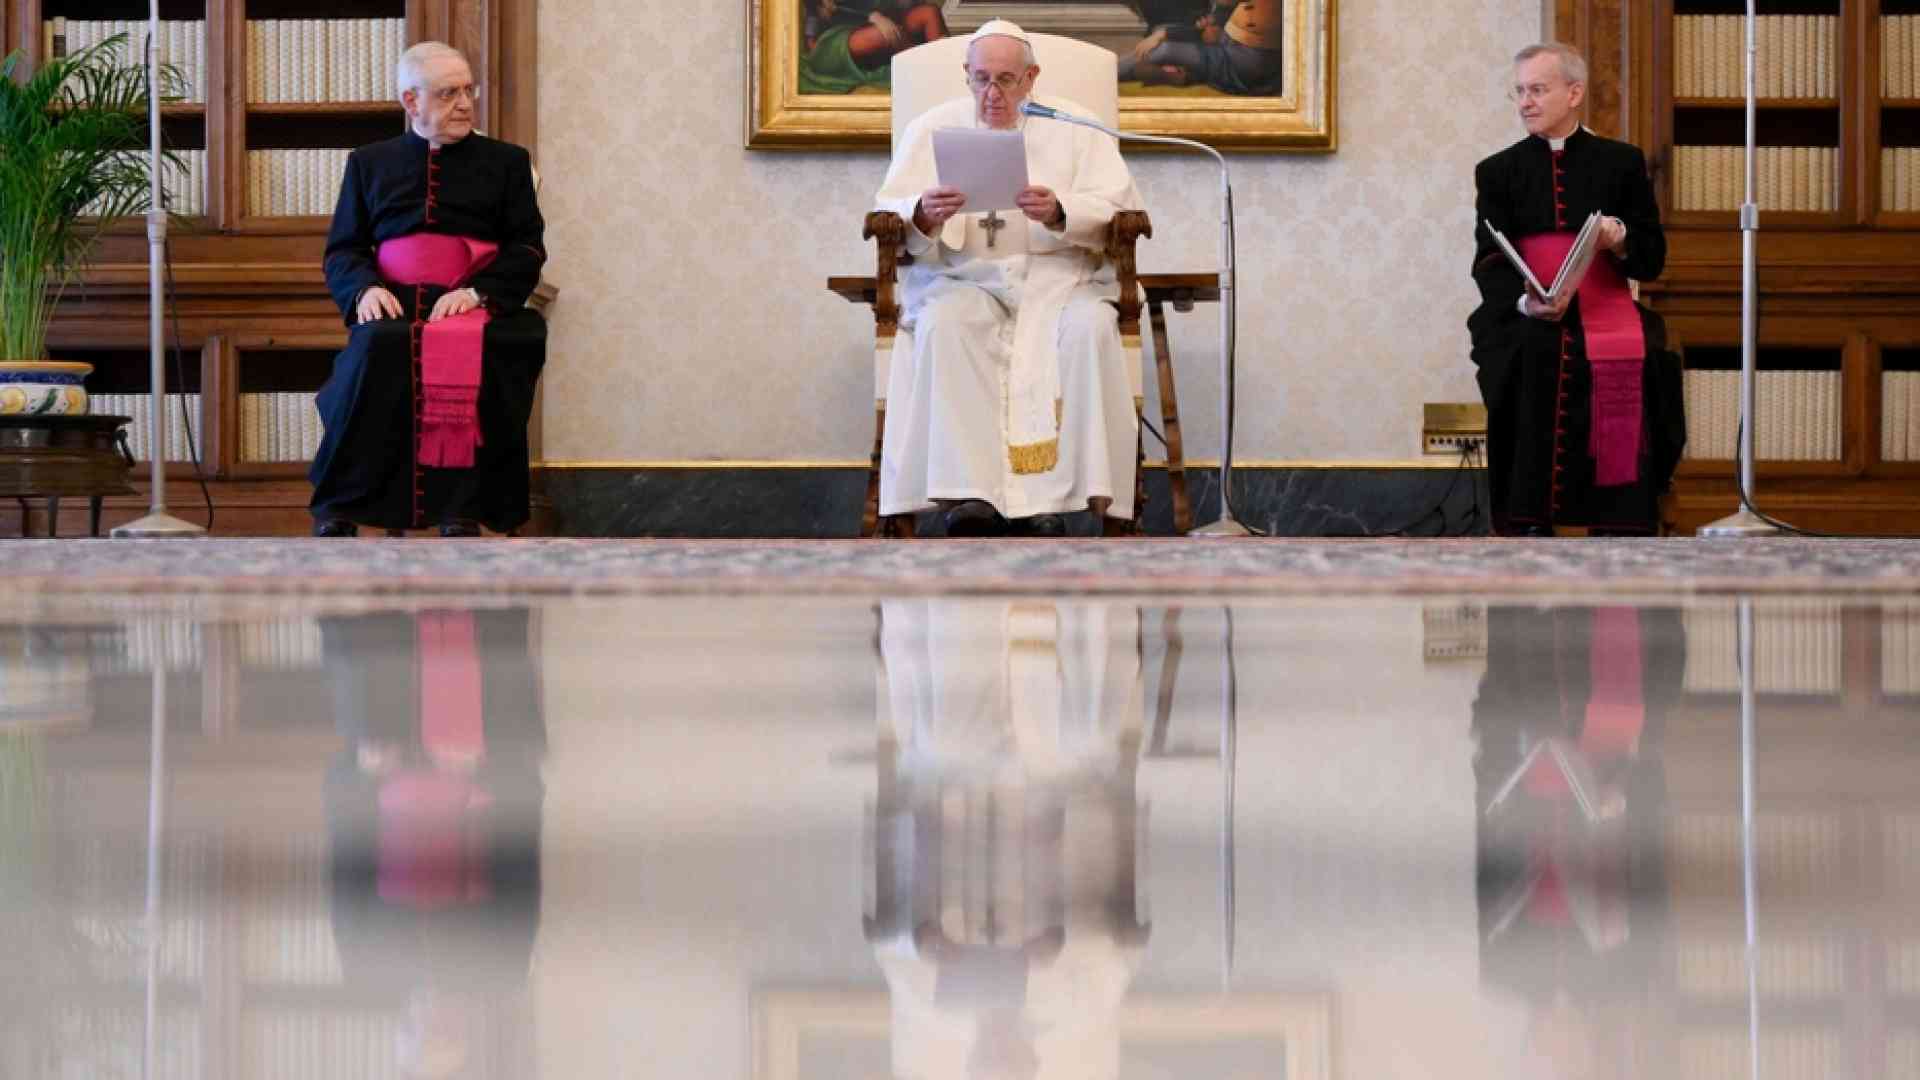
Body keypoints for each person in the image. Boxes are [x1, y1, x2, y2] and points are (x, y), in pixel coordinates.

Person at [873, 20, 1145, 537]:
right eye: (981, 79)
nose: (992, 94)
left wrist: (1061, 211)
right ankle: (968, 496)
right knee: (947, 324)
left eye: (1005, 80)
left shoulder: (1076, 126)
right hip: (963, 279)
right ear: (966, 75)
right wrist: (924, 212)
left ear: (1031, 78)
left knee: (1088, 329)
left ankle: (1054, 501)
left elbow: (1118, 208)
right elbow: (888, 211)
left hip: (1060, 281)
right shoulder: (931, 128)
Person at [311, 41, 548, 538]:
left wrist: (479, 293)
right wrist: (364, 290)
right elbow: (343, 248)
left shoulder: (507, 162)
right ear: (410, 101)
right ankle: (344, 503)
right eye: (447, 94)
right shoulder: (369, 162)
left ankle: (461, 507)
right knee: (377, 345)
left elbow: (527, 247)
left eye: (467, 91)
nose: (464, 104)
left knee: (485, 350)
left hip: (470, 299)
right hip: (392, 299)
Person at [1469, 43, 1685, 537]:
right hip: (1526, 309)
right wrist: (1526, 302)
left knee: (1644, 354)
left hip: (1606, 304)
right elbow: (1488, 258)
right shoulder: (1496, 171)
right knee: (1526, 351)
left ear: (1574, 93)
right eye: (1519, 91)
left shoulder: (1622, 162)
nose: (1525, 102)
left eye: (1537, 90)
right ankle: (1527, 519)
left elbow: (1652, 256)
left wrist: (1619, 237)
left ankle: (1620, 518)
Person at [1117, 0, 1284, 95]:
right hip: (1232, 50)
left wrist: (1165, 34)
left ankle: (1109, 70)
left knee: (1164, 50)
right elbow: (1214, 24)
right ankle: (1182, 74)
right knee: (1165, 38)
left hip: (1245, 63)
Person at [799, 0, 949, 95]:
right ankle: (928, 70)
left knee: (929, 12)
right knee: (884, 34)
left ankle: (945, 69)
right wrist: (872, 16)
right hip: (834, 42)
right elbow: (815, 30)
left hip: (880, 24)